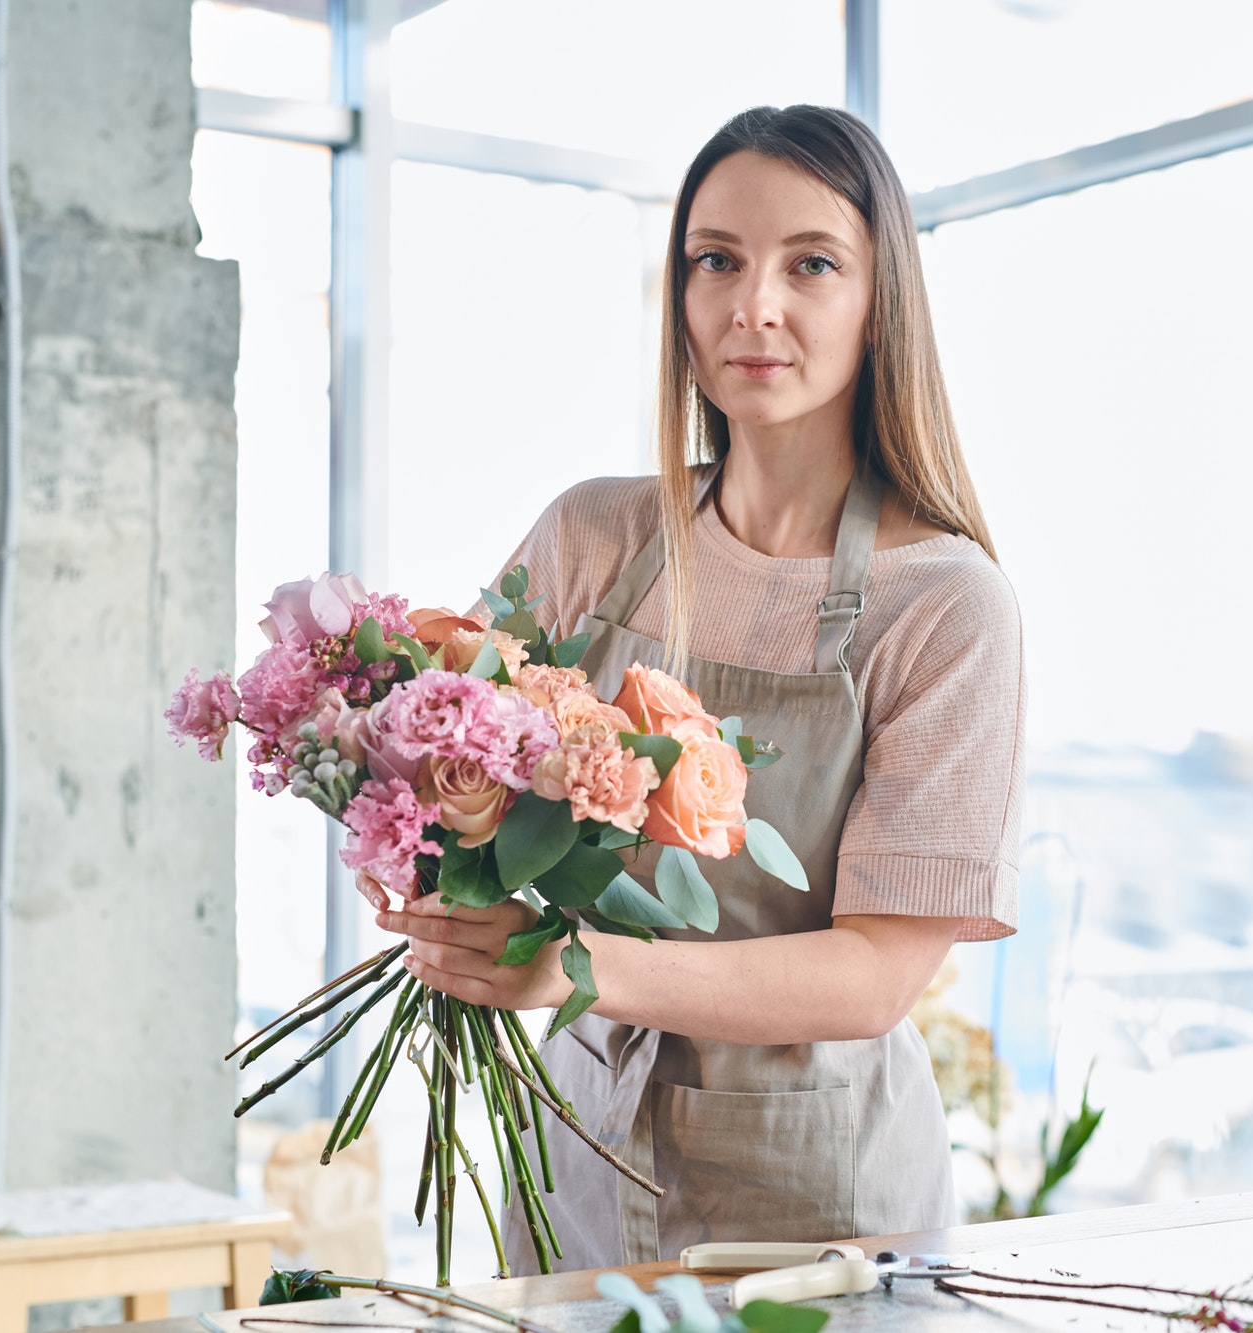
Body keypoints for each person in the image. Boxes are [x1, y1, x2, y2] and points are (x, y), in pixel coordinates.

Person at [363, 104, 1026, 1270]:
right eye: (713, 259)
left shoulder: (944, 605)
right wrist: (431, 881)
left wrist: (570, 968)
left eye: (808, 264)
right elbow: (449, 763)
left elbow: (874, 972)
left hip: (815, 1201)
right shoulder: (590, 539)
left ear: (880, 303)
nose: (748, 306)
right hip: (572, 1146)